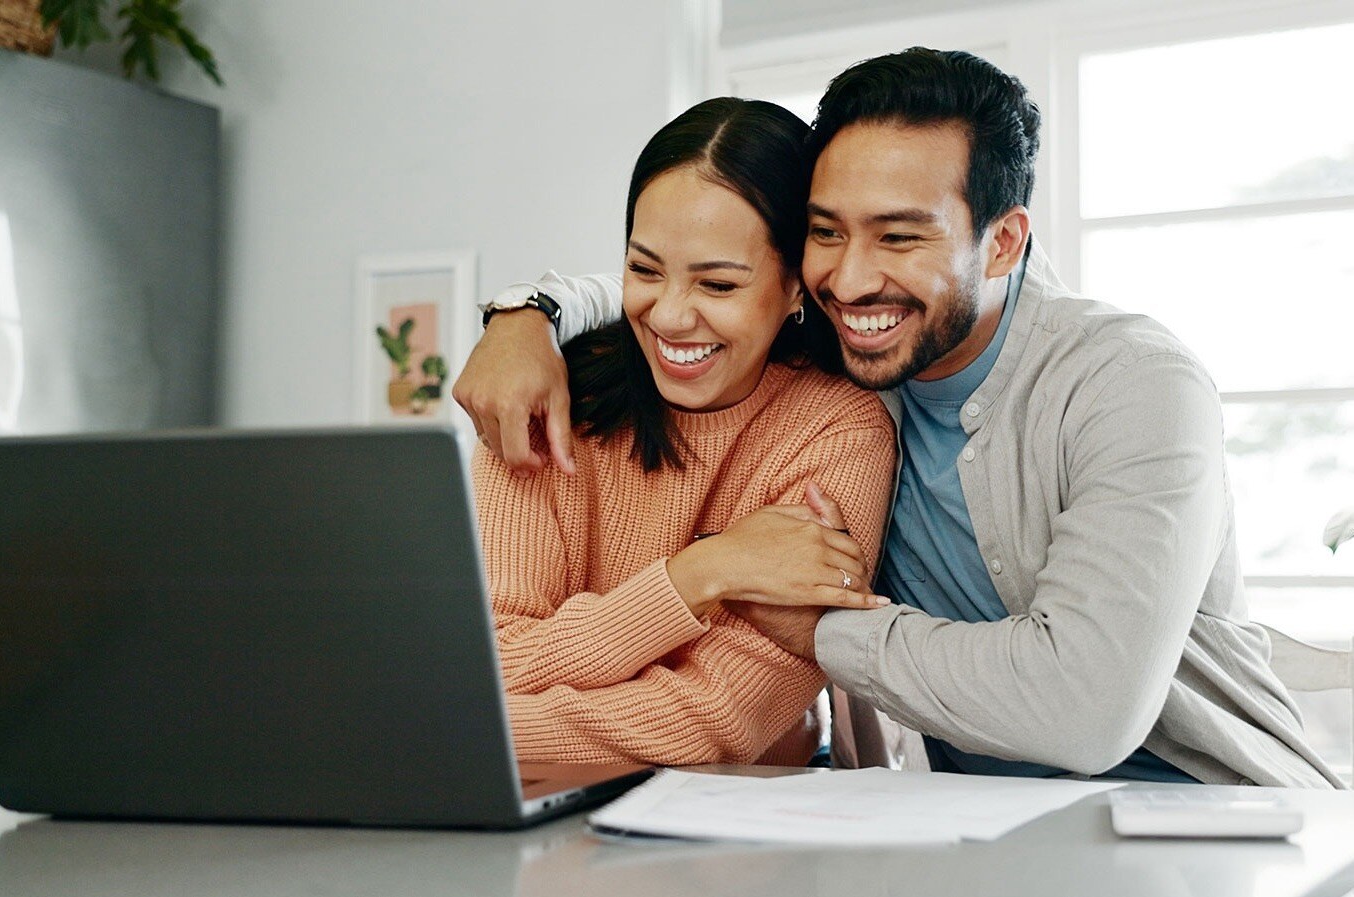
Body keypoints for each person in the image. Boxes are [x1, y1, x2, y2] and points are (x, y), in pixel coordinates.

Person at [457, 48, 1343, 787]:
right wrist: (524, 314)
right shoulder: (850, 349)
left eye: (900, 235)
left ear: (1003, 240)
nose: (850, 278)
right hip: (970, 828)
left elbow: (1087, 711)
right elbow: (697, 278)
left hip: (1213, 815)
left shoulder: (1131, 383)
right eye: (828, 232)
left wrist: (827, 635)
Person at [476, 97, 896, 766]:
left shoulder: (838, 431)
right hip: (514, 815)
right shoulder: (548, 400)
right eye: (644, 270)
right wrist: (703, 571)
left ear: (797, 287)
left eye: (719, 284)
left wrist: (463, 740)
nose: (669, 315)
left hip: (734, 833)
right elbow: (487, 663)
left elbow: (720, 717)